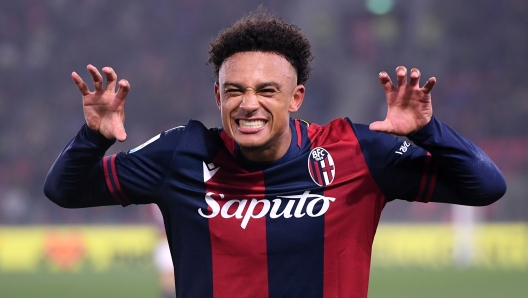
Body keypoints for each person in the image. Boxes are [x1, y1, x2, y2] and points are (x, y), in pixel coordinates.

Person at [44, 8, 506, 298]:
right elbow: (63, 191)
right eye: (234, 90)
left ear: (296, 97)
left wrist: (429, 131)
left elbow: (487, 187)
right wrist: (94, 136)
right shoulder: (181, 153)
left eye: (267, 90)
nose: (249, 104)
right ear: (217, 96)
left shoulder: (355, 152)